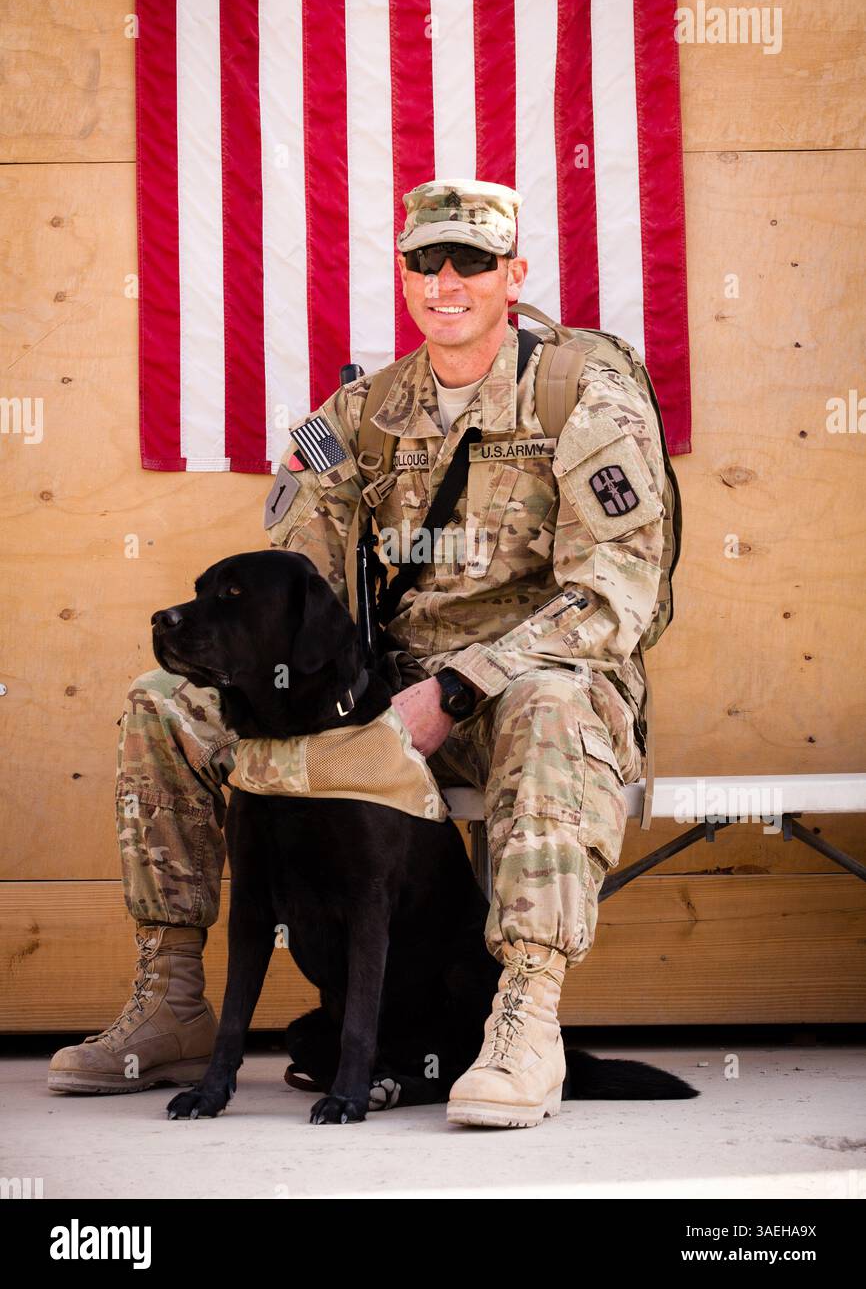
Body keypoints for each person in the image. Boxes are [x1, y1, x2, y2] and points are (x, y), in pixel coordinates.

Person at [49, 178, 666, 1129]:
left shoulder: (583, 391)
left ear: (514, 273)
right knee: (163, 700)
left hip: (536, 678)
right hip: (386, 694)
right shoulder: (363, 411)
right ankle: (173, 993)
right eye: (428, 261)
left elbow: (616, 593)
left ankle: (525, 1020)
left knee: (549, 707)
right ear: (407, 275)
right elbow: (297, 576)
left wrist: (460, 687)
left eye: (471, 260)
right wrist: (319, 694)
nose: (447, 280)